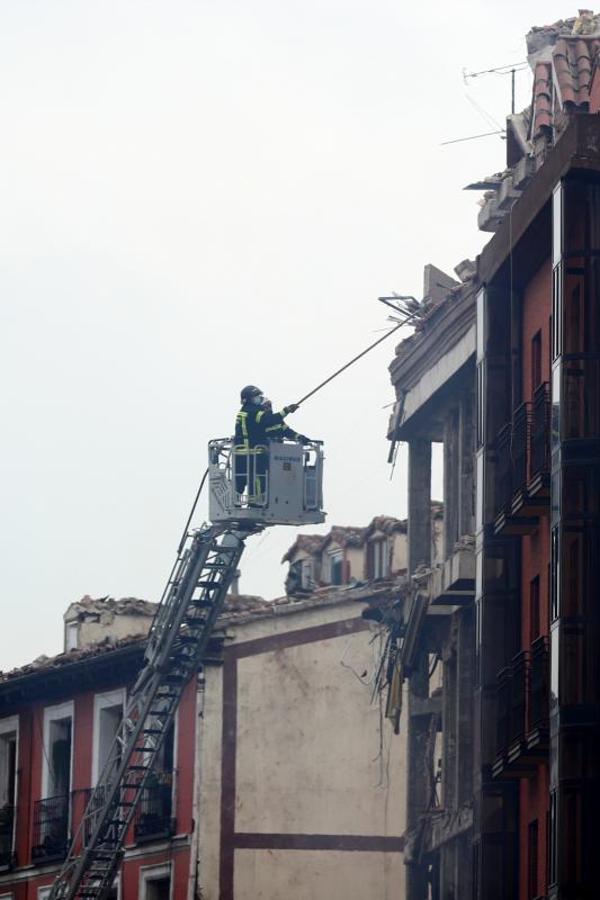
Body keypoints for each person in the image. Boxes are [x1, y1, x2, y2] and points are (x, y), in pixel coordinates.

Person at [234, 385, 311, 502]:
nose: (267, 408)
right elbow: (268, 421)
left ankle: (244, 502)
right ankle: (255, 503)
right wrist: (287, 410)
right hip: (252, 452)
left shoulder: (260, 416)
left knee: (245, 479)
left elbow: (286, 430)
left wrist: (301, 437)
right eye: (258, 399)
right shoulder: (254, 414)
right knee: (254, 478)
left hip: (247, 453)